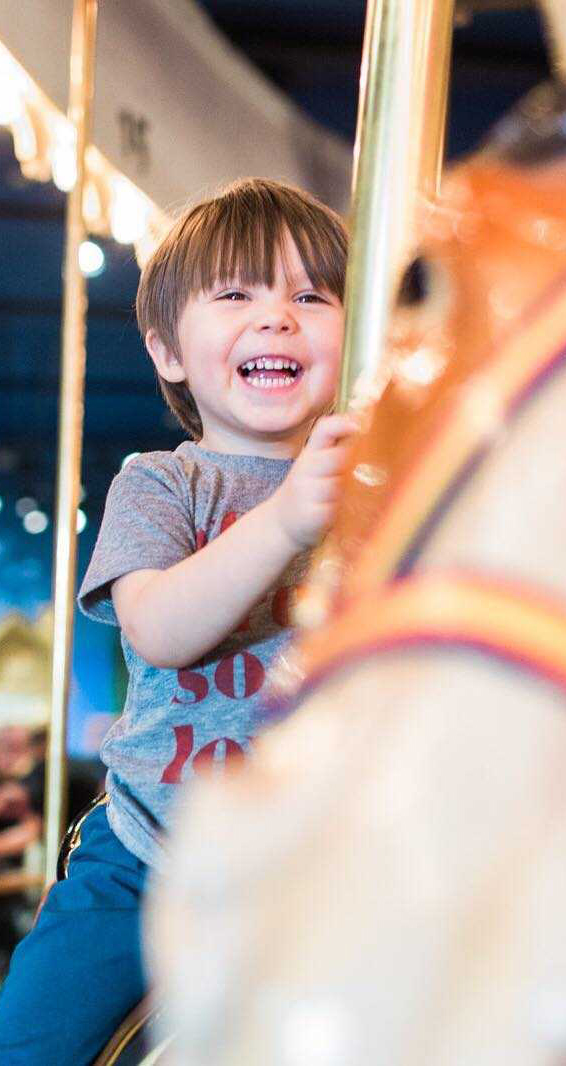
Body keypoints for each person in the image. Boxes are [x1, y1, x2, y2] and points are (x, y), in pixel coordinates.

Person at [0, 177, 354, 1065]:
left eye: (311, 296)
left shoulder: (381, 494)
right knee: (33, 1036)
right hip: (154, 859)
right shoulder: (162, 484)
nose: (277, 319)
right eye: (237, 294)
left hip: (328, 861)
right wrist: (286, 521)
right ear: (166, 350)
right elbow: (158, 628)